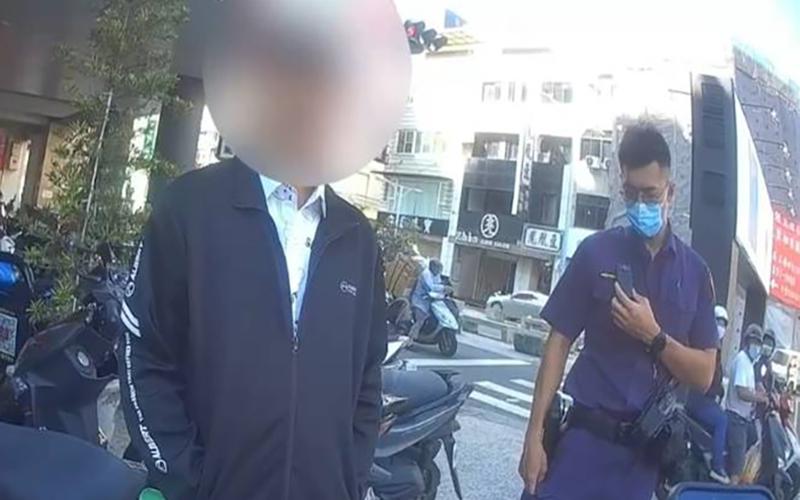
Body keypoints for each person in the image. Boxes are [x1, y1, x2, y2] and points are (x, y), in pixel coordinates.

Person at [117, 11, 392, 498]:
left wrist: (349, 478)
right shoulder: (189, 208)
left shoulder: (357, 239)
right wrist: (187, 479)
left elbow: (368, 380)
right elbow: (144, 352)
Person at [518, 124, 719, 500]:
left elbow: (705, 374)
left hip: (640, 464)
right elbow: (558, 342)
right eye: (631, 193)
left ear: (670, 192)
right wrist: (534, 435)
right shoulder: (595, 253)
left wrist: (654, 336)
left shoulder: (695, 274)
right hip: (579, 445)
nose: (640, 204)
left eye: (650, 193)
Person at [685, 305, 731, 483]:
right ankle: (717, 467)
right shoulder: (705, 345)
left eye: (724, 324)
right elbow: (705, 378)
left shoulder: (715, 349)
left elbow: (716, 380)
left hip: (705, 399)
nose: (721, 327)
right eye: (718, 322)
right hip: (698, 398)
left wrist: (720, 391)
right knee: (722, 420)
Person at [725, 324, 770, 484]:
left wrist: (763, 394)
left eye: (758, 343)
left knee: (754, 438)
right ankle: (731, 489)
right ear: (746, 342)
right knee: (738, 468)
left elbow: (754, 386)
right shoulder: (742, 361)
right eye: (753, 342)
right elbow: (742, 392)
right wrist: (760, 399)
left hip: (745, 419)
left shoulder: (751, 364)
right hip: (736, 418)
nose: (756, 346)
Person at [410, 259, 446, 325]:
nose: (439, 271)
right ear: (433, 267)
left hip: (427, 302)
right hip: (419, 302)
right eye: (438, 269)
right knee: (420, 321)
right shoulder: (426, 274)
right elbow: (430, 287)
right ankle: (413, 331)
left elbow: (438, 283)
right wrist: (443, 288)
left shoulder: (435, 275)